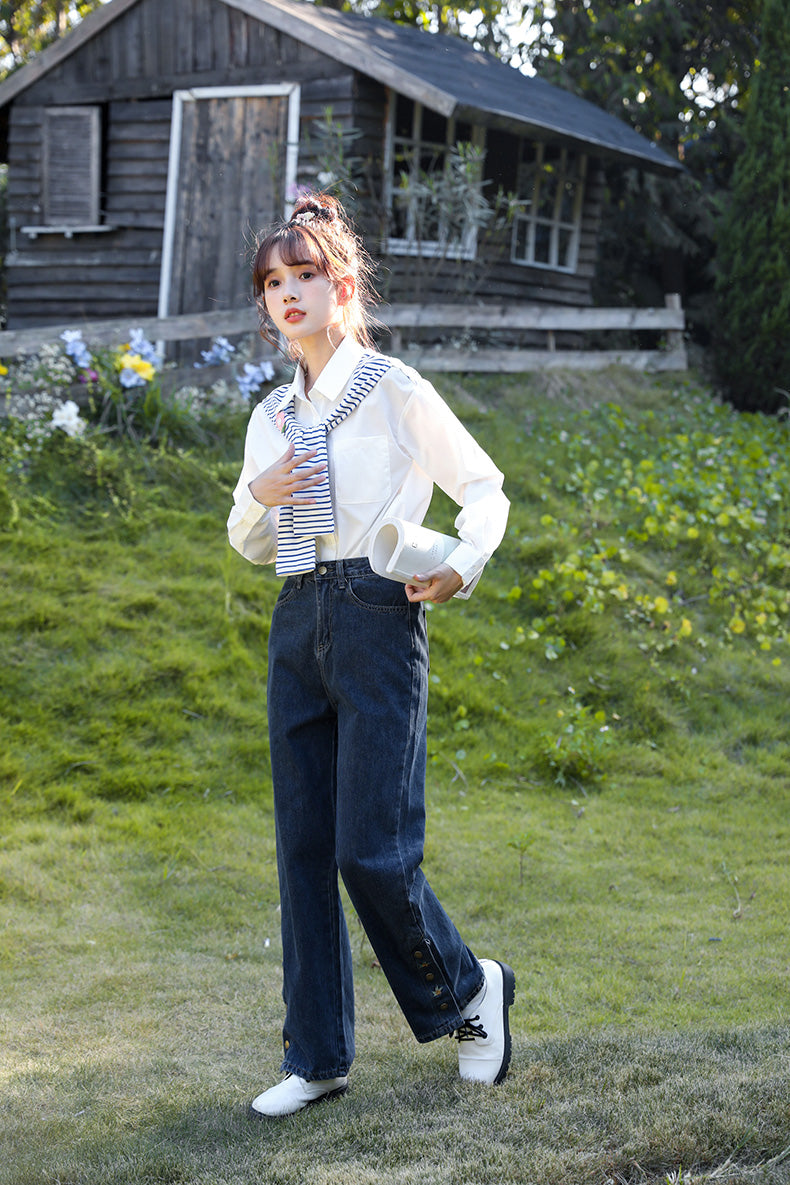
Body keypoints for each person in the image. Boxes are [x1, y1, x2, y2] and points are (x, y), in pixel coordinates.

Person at [227, 192, 514, 1119]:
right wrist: (264, 492)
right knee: (303, 850)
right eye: (274, 281)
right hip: (296, 616)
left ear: (342, 287)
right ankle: (316, 1057)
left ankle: (473, 990)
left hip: (377, 612)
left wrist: (463, 562)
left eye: (305, 274)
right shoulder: (272, 417)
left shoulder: (392, 389)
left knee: (372, 852)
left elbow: (484, 488)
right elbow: (247, 539)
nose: (288, 293)